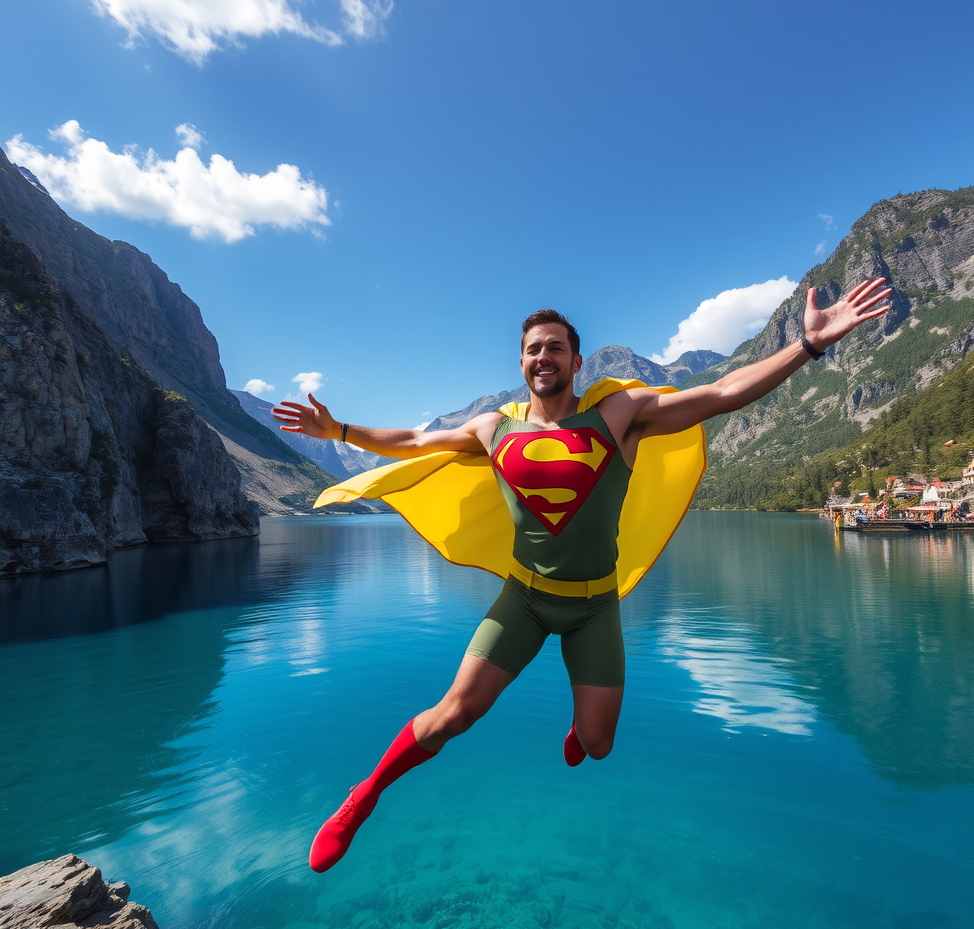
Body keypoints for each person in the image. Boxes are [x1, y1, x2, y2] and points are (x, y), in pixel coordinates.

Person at [273, 278, 892, 872]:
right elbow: (414, 438)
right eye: (533, 349)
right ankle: (365, 795)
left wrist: (809, 343)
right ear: (521, 362)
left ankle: (580, 725)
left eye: (556, 348)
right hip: (524, 600)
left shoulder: (619, 415)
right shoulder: (495, 428)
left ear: (576, 361)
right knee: (455, 713)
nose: (544, 357)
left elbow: (726, 391)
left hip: (595, 608)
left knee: (597, 745)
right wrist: (342, 431)